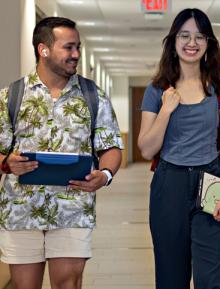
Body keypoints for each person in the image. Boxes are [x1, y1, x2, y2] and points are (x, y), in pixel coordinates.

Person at [0, 17, 123, 289]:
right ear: (43, 50)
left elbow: (111, 146)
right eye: (69, 48)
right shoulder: (12, 96)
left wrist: (104, 175)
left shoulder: (93, 95)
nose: (76, 54)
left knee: (69, 284)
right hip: (21, 212)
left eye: (78, 47)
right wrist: (7, 164)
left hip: (73, 209)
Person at [138, 8, 220, 289]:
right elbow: (146, 149)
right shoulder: (157, 90)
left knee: (211, 277)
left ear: (208, 44)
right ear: (173, 42)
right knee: (171, 277)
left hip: (211, 181)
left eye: (199, 36)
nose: (191, 42)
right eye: (184, 35)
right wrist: (166, 111)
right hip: (170, 183)